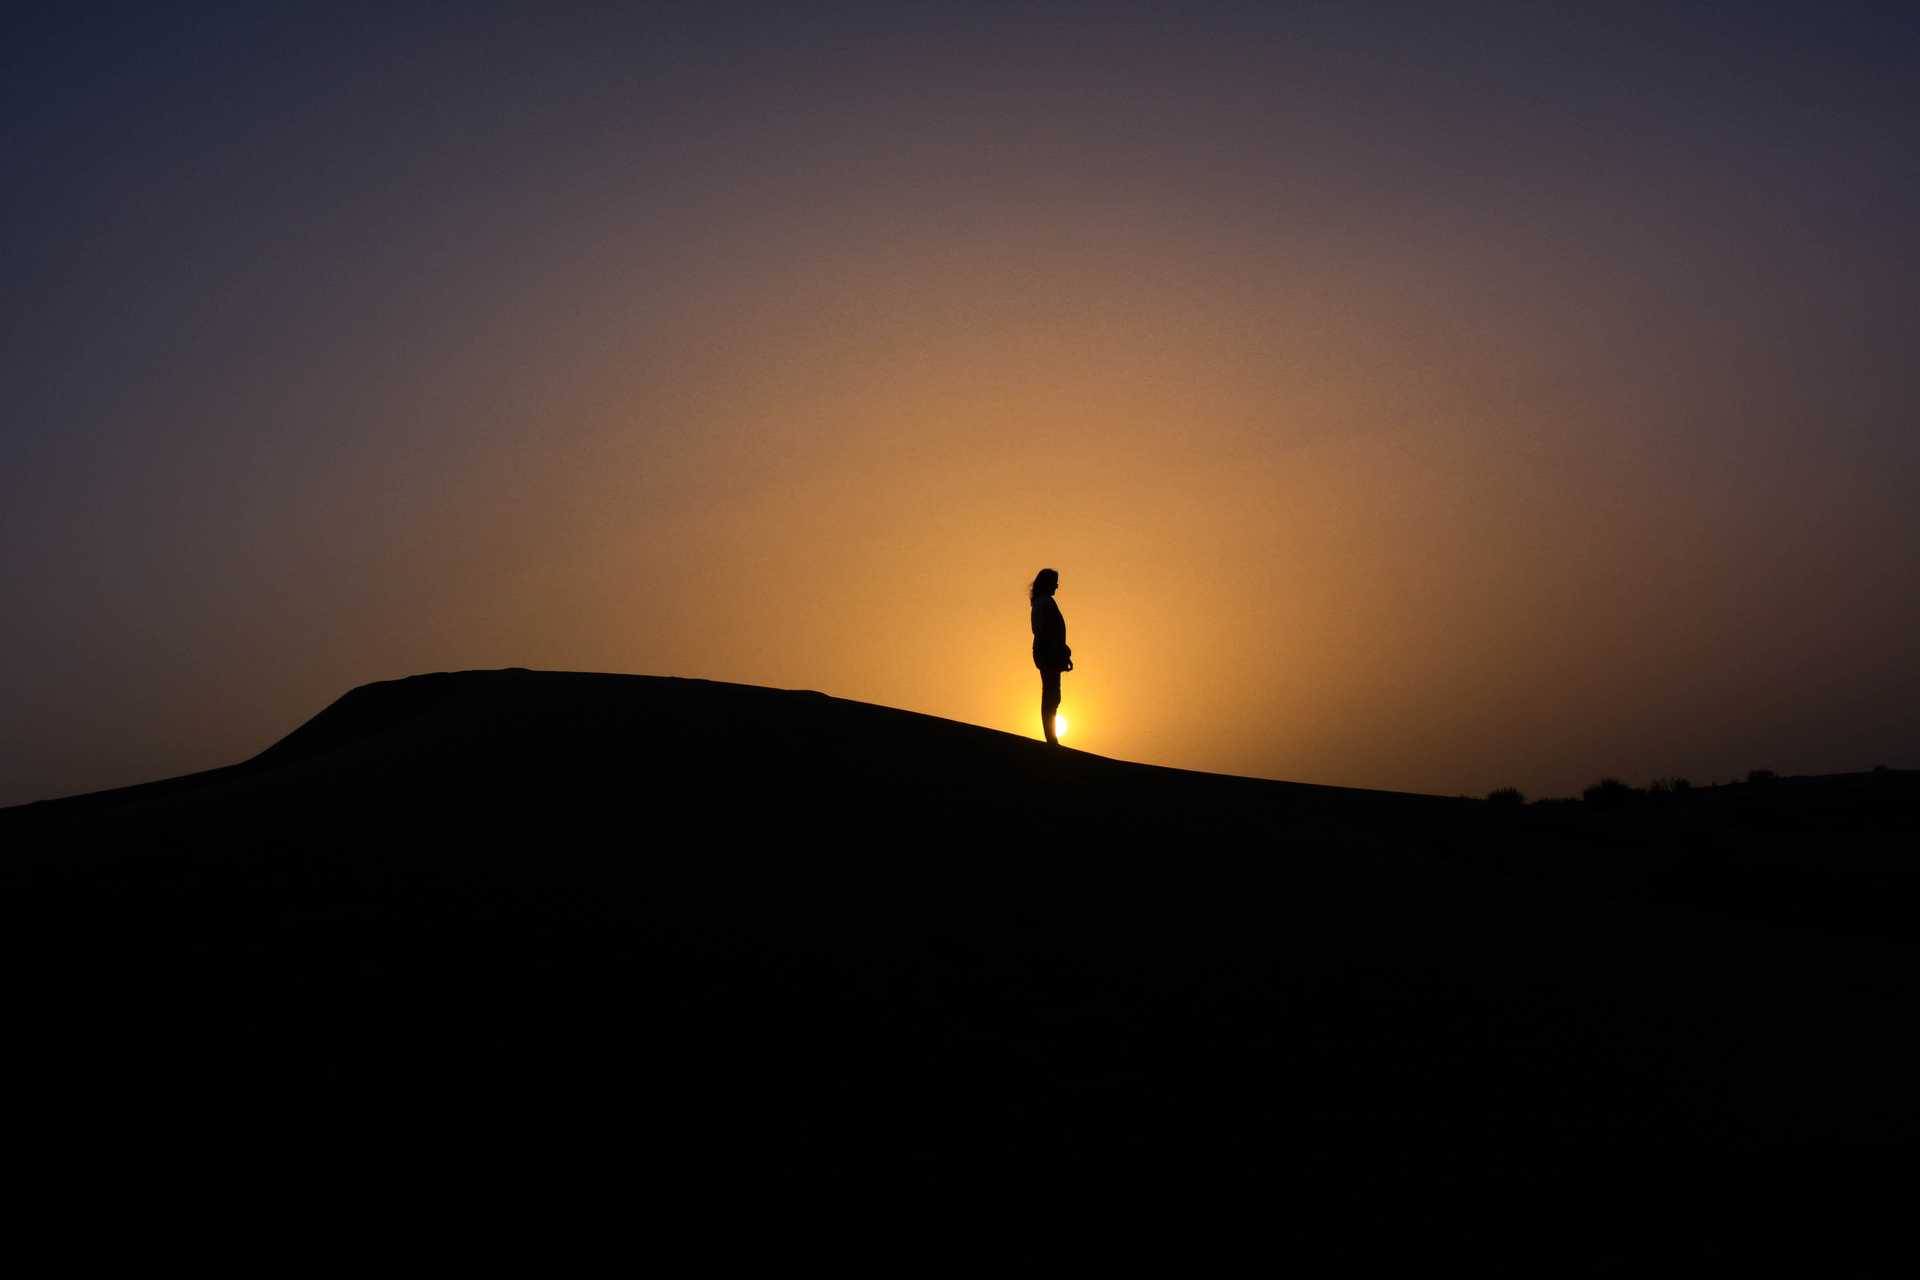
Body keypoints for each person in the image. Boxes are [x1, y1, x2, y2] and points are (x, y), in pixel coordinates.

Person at [1029, 568, 1072, 745]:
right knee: (1051, 694)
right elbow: (1046, 630)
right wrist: (1059, 651)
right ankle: (1051, 738)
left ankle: (1051, 737)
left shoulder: (1041, 602)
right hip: (1047, 651)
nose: (1057, 586)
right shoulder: (1045, 602)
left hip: (1047, 650)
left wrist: (1063, 650)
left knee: (1052, 694)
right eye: (1055, 582)